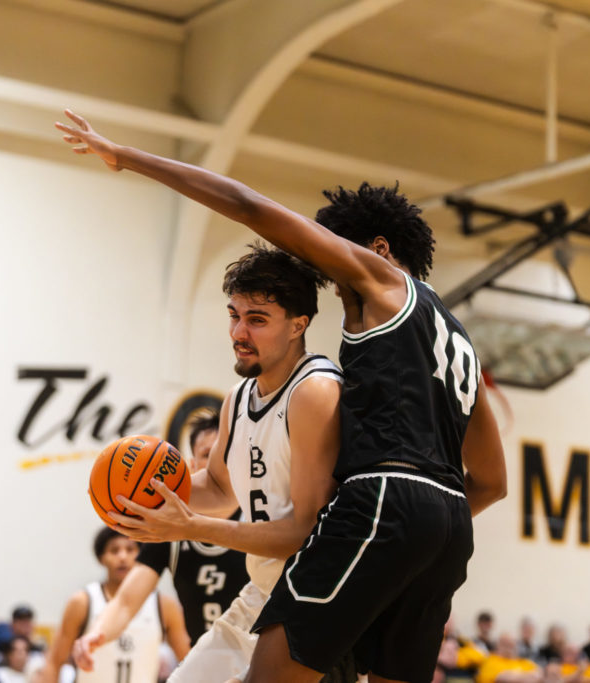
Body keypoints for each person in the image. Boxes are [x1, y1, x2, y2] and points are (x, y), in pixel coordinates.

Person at [56, 109, 508, 683]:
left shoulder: (381, 285)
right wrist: (415, 536)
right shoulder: (458, 341)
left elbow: (247, 204)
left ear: (378, 247)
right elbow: (492, 482)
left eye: (333, 248)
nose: (325, 263)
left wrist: (129, 157)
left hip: (384, 501)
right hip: (448, 526)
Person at [74, 245, 345, 683]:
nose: (239, 331)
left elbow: (305, 533)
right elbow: (219, 490)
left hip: (314, 599)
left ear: (299, 325)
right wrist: (142, 500)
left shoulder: (314, 392)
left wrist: (191, 527)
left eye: (257, 319)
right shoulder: (238, 398)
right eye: (234, 315)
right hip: (263, 593)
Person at [70, 409, 248, 652]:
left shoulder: (259, 515)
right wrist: (97, 633)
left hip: (260, 658)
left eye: (225, 453)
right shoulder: (169, 528)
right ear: (192, 466)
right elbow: (126, 601)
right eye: (208, 455)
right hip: (208, 658)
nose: (219, 463)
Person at [40, 528, 189, 683]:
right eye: (114, 550)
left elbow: (188, 660)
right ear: (101, 558)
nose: (123, 557)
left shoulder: (164, 606)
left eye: (130, 549)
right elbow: (53, 662)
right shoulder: (82, 601)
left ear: (142, 557)